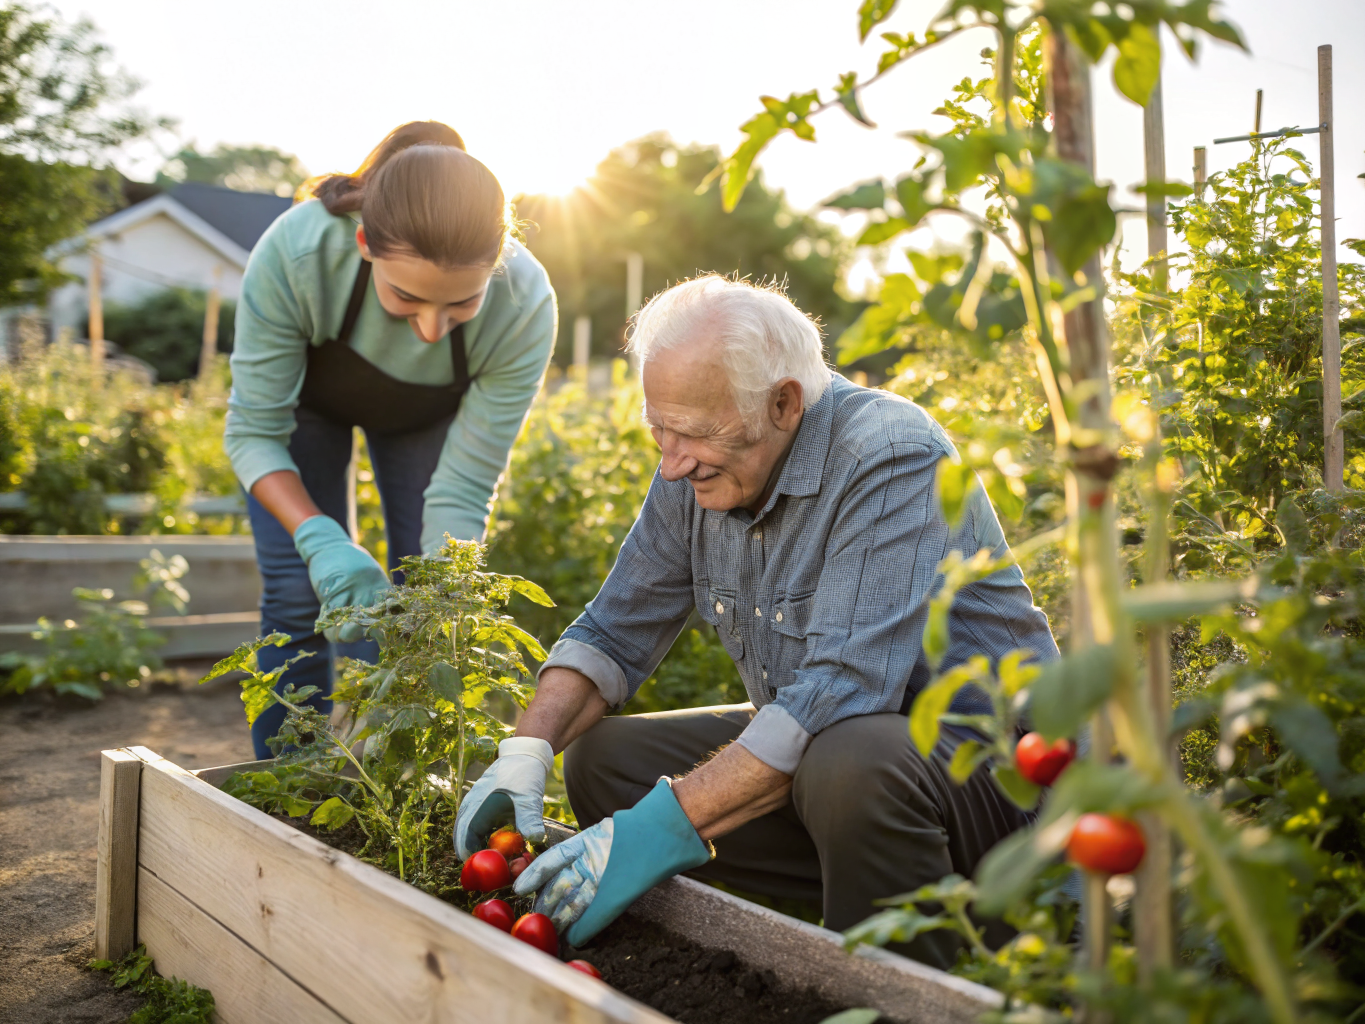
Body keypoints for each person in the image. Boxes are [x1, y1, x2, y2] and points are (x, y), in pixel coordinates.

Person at [454, 275, 1058, 967]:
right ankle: (758, 934)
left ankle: (904, 981)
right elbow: (614, 631)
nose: (671, 463)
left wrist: (656, 829)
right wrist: (526, 751)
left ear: (783, 403)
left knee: (850, 759)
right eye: (659, 429)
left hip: (993, 791)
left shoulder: (889, 454)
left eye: (693, 433)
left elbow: (841, 690)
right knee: (604, 762)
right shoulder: (697, 463)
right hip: (843, 780)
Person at [226, 122, 556, 759]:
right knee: (297, 591)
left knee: (424, 600)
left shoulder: (524, 305)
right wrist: (320, 538)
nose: (431, 330)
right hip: (306, 411)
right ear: (364, 246)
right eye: (406, 297)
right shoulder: (300, 251)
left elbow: (464, 488)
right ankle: (288, 783)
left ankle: (403, 778)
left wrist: (445, 599)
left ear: (496, 266)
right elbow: (254, 433)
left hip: (424, 415)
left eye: (461, 305)